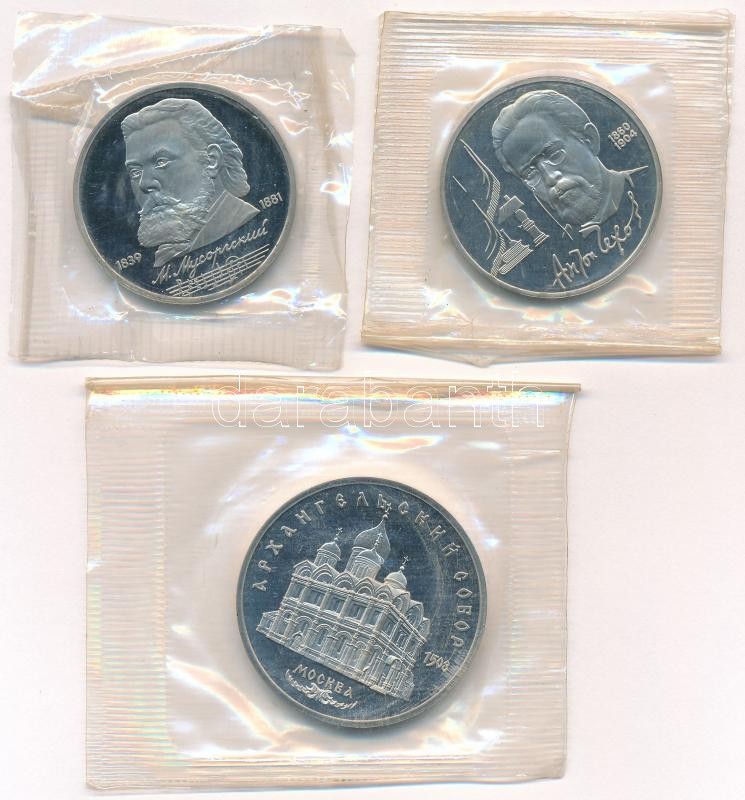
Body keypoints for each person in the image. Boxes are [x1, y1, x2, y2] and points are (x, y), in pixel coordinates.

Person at [122, 97, 259, 267]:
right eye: (135, 171)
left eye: (161, 162)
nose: (144, 184)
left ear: (212, 160)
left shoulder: (245, 221)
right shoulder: (169, 247)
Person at [491, 89, 638, 230]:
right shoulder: (557, 245)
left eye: (553, 154)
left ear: (589, 139)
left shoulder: (640, 188)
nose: (550, 178)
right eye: (529, 173)